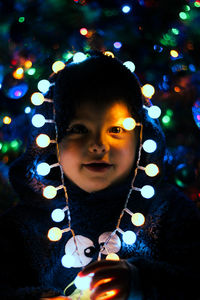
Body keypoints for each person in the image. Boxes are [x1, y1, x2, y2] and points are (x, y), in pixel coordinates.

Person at [0, 52, 199, 300]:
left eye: (116, 129)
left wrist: (142, 282)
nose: (98, 145)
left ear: (143, 137)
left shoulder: (169, 212)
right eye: (79, 129)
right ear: (52, 140)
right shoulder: (23, 225)